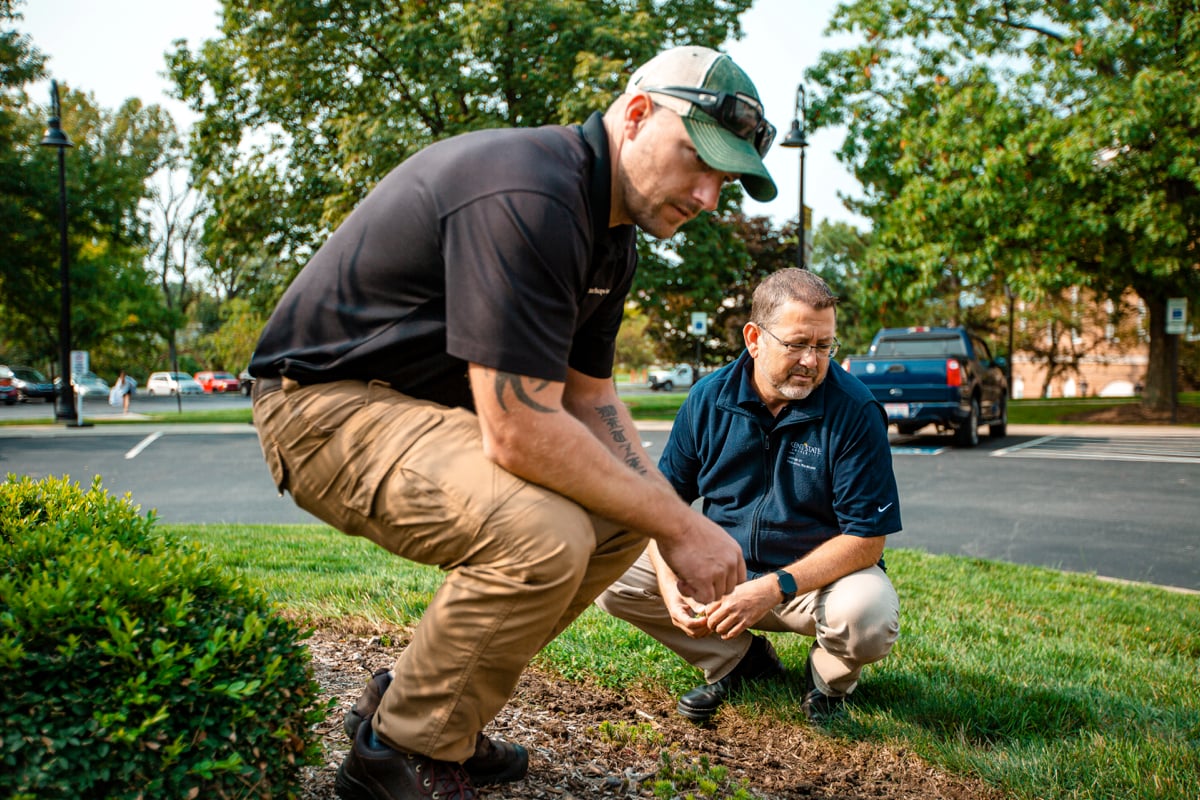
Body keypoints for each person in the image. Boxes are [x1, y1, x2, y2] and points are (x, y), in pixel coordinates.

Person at [247, 46, 778, 800]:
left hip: (409, 410)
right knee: (543, 534)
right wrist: (685, 529)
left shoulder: (610, 234)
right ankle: (391, 756)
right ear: (635, 115)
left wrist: (662, 517)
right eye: (699, 160)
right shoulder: (533, 189)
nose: (708, 196)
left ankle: (425, 706)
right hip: (321, 406)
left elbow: (590, 398)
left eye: (725, 180)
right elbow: (520, 427)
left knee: (622, 520)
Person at [596, 268, 902, 725]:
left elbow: (866, 540)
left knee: (869, 615)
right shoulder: (708, 398)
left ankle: (826, 682)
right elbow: (661, 505)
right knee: (610, 568)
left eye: (823, 346)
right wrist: (665, 579)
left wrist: (773, 586)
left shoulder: (855, 411)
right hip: (725, 572)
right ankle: (739, 662)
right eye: (797, 344)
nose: (812, 361)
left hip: (814, 585)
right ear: (754, 338)